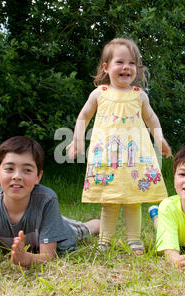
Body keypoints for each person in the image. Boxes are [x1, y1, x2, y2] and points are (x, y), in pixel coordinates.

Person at [66, 38, 172, 255]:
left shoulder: (139, 95)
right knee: (110, 200)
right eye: (120, 62)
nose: (126, 67)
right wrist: (76, 140)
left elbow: (152, 119)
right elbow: (83, 117)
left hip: (135, 158)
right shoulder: (99, 93)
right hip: (108, 158)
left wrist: (160, 140)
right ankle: (104, 241)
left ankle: (134, 240)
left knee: (134, 199)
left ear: (137, 69)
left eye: (132, 63)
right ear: (106, 67)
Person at [0, 136, 100, 267]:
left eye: (27, 170)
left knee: (83, 229)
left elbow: (49, 256)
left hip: (57, 230)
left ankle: (96, 224)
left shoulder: (47, 200)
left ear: (38, 177)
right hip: (39, 227)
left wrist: (26, 258)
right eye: (9, 169)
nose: (17, 176)